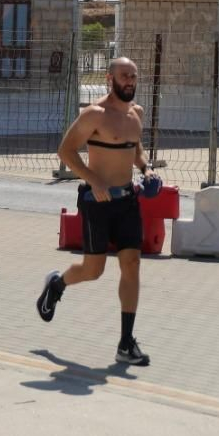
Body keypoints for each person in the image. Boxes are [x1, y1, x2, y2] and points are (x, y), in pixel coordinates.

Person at [35, 56, 156, 366]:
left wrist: (146, 168)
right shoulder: (94, 115)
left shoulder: (136, 114)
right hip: (97, 203)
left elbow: (135, 149)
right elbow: (65, 150)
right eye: (124, 75)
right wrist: (92, 179)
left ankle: (126, 343)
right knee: (94, 270)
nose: (130, 80)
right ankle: (56, 284)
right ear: (109, 78)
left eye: (134, 76)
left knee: (131, 263)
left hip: (128, 201)